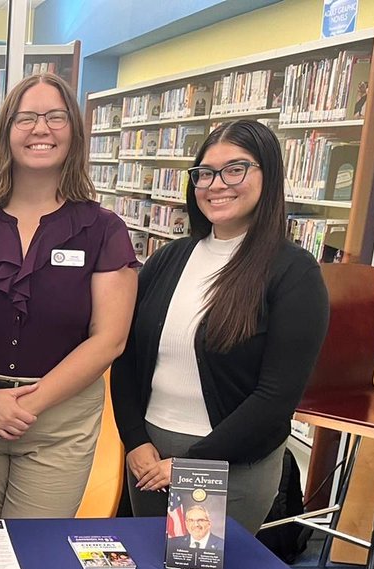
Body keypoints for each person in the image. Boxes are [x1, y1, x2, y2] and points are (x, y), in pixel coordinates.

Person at [111, 120, 329, 534]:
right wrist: (135, 439)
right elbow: (127, 355)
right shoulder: (168, 259)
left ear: (269, 174)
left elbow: (276, 398)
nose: (217, 185)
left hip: (228, 461)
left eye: (235, 169)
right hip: (151, 457)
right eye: (205, 173)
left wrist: (191, 463)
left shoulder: (293, 273)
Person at [0, 73, 138, 519]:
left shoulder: (104, 231)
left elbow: (109, 340)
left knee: (34, 552)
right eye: (26, 118)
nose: (41, 129)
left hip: (58, 421)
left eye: (55, 117)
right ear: (7, 131)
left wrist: (31, 402)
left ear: (75, 131)